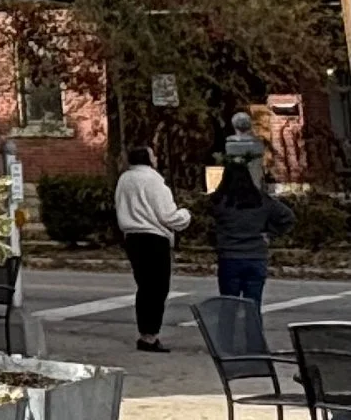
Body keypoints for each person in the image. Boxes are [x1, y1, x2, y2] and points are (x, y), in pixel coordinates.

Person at [114, 142, 190, 352]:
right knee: (158, 288)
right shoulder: (154, 181)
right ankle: (151, 335)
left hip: (132, 237)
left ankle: (144, 332)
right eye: (153, 155)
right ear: (147, 159)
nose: (156, 158)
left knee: (144, 286)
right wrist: (185, 215)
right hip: (154, 237)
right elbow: (167, 215)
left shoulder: (125, 179)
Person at [206, 155, 294, 313]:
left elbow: (209, 226)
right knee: (253, 307)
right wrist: (270, 234)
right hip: (255, 255)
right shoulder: (261, 200)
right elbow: (287, 217)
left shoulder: (219, 202)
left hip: (229, 256)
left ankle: (226, 338)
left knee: (228, 307)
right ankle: (252, 336)